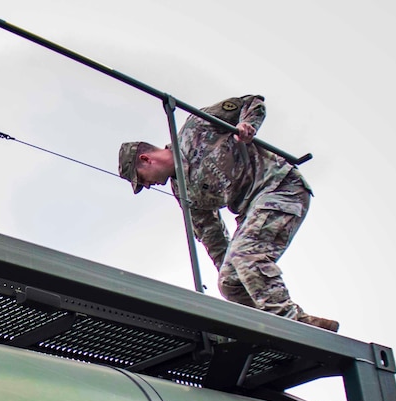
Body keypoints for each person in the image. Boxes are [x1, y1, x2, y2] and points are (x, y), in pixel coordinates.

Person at [118, 95, 339, 332]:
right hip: (252, 210)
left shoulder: (195, 128)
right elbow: (212, 236)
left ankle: (293, 325)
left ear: (146, 159)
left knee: (246, 257)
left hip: (280, 187)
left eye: (142, 179)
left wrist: (247, 124)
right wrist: (231, 270)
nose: (148, 186)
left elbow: (252, 102)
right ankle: (266, 325)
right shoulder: (183, 191)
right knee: (229, 283)